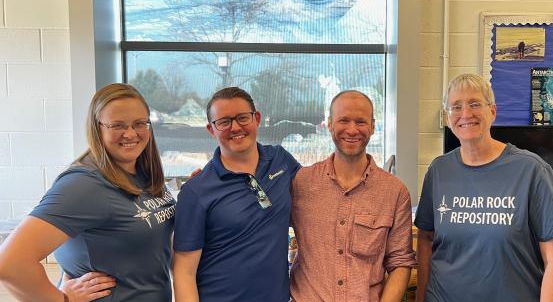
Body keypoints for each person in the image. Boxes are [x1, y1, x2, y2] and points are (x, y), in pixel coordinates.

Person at [0, 83, 175, 301]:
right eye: (117, 125)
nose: (130, 133)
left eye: (139, 123)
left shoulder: (143, 173)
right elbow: (10, 263)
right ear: (97, 128)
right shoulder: (84, 184)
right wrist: (63, 299)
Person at [414, 74, 553, 302]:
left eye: (474, 104)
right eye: (456, 107)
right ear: (448, 118)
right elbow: (426, 239)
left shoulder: (532, 170)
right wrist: (421, 296)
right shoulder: (438, 171)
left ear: (493, 111)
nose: (466, 114)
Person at [173, 87, 301, 302]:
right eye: (224, 122)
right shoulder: (196, 191)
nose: (235, 127)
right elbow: (183, 273)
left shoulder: (280, 160)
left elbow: (316, 193)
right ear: (211, 129)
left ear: (257, 118)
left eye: (242, 118)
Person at [290, 90, 417, 301]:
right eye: (343, 120)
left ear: (373, 126)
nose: (352, 129)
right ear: (330, 124)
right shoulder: (301, 183)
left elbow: (400, 262)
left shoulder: (395, 192)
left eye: (360, 121)